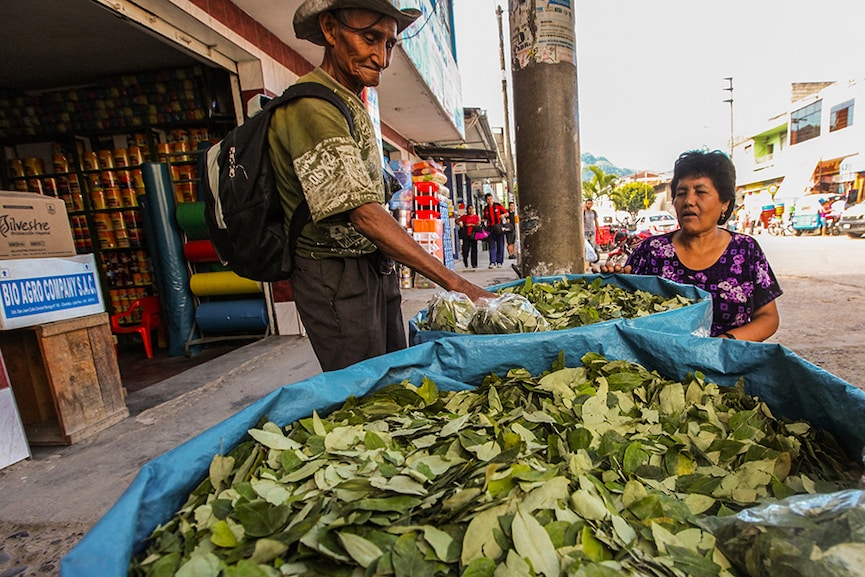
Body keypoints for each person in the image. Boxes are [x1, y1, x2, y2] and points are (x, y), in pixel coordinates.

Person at [272, 0, 492, 371]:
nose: (382, 57)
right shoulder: (313, 106)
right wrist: (458, 284)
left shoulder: (347, 100)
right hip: (334, 273)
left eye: (389, 44)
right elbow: (365, 215)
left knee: (393, 375)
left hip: (371, 265)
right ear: (330, 29)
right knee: (364, 390)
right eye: (370, 37)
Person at [599, 150, 782, 341]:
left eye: (701, 192)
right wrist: (614, 286)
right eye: (681, 193)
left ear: (725, 203)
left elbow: (768, 318)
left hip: (727, 364)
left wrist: (722, 344)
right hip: (662, 365)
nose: (688, 201)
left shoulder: (745, 250)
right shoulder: (651, 251)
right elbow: (628, 315)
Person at [482, 192, 508, 268]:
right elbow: (485, 217)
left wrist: (503, 215)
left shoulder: (498, 206)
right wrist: (483, 220)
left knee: (500, 245)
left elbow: (507, 213)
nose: (489, 200)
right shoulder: (486, 209)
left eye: (490, 199)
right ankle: (492, 262)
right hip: (490, 229)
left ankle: (499, 261)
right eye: (488, 199)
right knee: (491, 246)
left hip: (499, 228)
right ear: (486, 200)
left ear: (492, 199)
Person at [457, 204, 480, 269]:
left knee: (474, 250)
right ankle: (465, 260)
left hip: (474, 234)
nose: (471, 210)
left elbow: (478, 223)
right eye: (469, 209)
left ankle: (474, 264)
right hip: (466, 235)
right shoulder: (465, 217)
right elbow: (457, 220)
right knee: (465, 249)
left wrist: (471, 224)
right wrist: (460, 223)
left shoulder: (476, 217)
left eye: (472, 208)